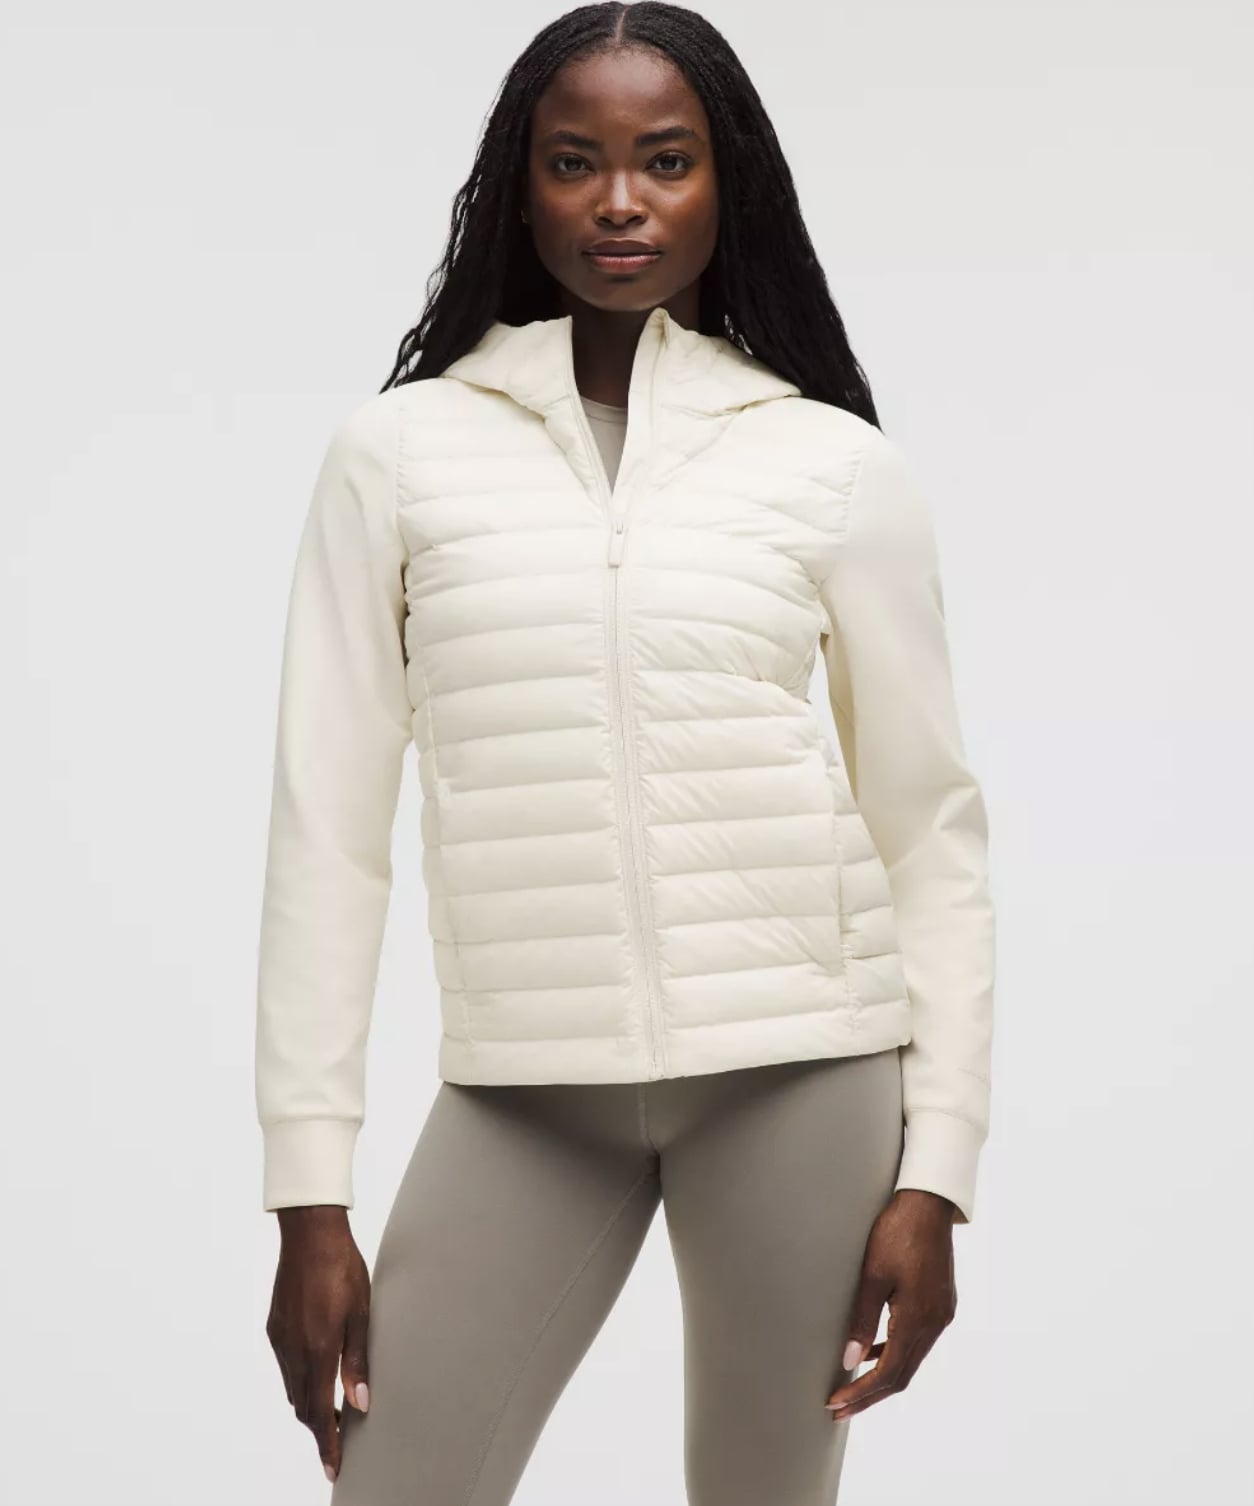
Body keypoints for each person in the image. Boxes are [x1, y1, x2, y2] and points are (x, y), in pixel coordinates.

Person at [254, 4, 997, 1501]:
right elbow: (325, 829)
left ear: (727, 183)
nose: (618, 201)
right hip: (526, 1091)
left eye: (664, 160)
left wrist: (938, 1172)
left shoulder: (828, 463)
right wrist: (307, 1195)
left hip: (801, 1073)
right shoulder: (398, 456)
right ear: (518, 190)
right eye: (572, 162)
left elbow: (928, 827)